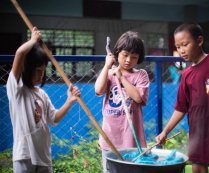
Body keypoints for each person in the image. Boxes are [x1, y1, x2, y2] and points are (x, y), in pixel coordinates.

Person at [156, 23, 209, 173]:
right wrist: (165, 131)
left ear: (200, 41)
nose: (181, 50)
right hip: (197, 135)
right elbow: (181, 108)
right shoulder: (186, 75)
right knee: (197, 169)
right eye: (178, 47)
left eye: (185, 44)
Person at [6, 27, 81, 173]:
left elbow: (54, 118)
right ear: (27, 69)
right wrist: (33, 41)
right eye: (37, 70)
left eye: (43, 70)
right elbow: (20, 53)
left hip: (44, 155)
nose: (41, 74)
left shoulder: (42, 94)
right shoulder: (17, 90)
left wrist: (70, 101)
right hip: (24, 155)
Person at [95, 31, 149, 172]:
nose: (128, 60)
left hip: (131, 139)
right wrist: (107, 67)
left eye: (134, 57)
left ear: (139, 59)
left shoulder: (140, 75)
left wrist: (121, 77)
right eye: (125, 55)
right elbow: (98, 90)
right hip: (109, 138)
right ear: (117, 53)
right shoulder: (109, 72)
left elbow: (138, 98)